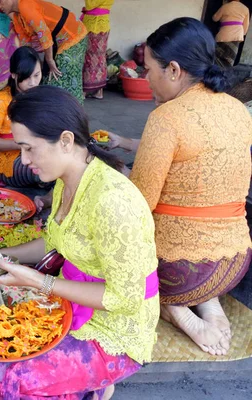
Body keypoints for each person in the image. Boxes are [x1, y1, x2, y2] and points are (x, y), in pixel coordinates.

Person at [0, 86, 159, 399]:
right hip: (71, 299)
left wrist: (40, 283)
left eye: (29, 148)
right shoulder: (67, 180)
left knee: (10, 372)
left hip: (113, 328)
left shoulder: (113, 202)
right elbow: (53, 242)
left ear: (66, 141)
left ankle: (93, 385)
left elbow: (126, 299)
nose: (23, 160)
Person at [108, 18, 252, 356]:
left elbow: (140, 204)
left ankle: (174, 309)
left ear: (173, 70)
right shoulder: (238, 109)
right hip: (235, 261)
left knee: (110, 244)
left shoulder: (167, 118)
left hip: (181, 269)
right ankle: (209, 304)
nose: (146, 78)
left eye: (148, 69)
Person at [0, 0, 88, 104]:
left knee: (63, 78)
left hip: (73, 36)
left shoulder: (26, 6)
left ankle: (72, 113)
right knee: (50, 79)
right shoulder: (18, 16)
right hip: (57, 42)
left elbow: (44, 34)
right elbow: (26, 43)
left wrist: (50, 60)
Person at [0, 46, 45, 188]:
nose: (33, 82)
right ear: (13, 74)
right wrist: (23, 144)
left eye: (36, 75)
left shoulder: (40, 96)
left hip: (37, 152)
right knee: (47, 169)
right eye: (26, 77)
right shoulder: (0, 100)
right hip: (9, 161)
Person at [81, 0, 114, 99]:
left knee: (89, 57)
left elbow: (90, 5)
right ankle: (99, 92)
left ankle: (85, 92)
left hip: (95, 26)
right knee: (100, 57)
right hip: (101, 25)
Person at [213, 0, 250, 67]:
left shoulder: (225, 6)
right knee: (229, 61)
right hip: (236, 37)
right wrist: (241, 34)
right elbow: (245, 27)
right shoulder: (245, 9)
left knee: (216, 58)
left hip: (223, 35)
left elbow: (215, 18)